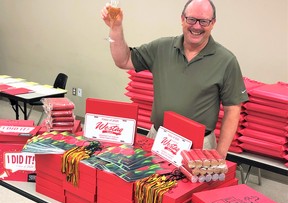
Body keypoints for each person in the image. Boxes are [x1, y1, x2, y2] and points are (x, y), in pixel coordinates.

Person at [101, 0, 249, 159]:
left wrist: (220, 155)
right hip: (158, 137)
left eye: (204, 21)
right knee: (148, 183)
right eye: (191, 19)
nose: (197, 26)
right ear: (182, 19)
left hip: (198, 146)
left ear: (213, 23)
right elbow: (123, 60)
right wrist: (115, 28)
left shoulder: (226, 60)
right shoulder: (162, 48)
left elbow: (233, 110)